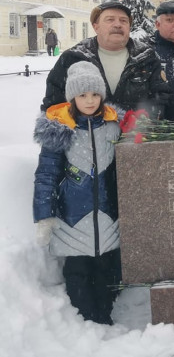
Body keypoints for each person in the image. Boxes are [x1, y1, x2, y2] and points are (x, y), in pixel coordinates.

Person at [33, 62, 122, 324]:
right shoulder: (59, 130)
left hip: (107, 218)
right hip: (72, 219)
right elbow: (46, 174)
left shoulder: (114, 126)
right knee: (78, 272)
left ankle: (104, 319)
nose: (90, 101)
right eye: (83, 95)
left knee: (106, 271)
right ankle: (85, 323)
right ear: (72, 97)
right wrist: (44, 216)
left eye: (95, 94)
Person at [42, 1, 170, 117]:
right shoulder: (73, 58)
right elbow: (54, 104)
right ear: (95, 26)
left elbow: (161, 99)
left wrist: (143, 124)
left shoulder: (146, 58)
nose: (118, 25)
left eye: (123, 21)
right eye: (110, 20)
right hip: (88, 139)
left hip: (135, 138)